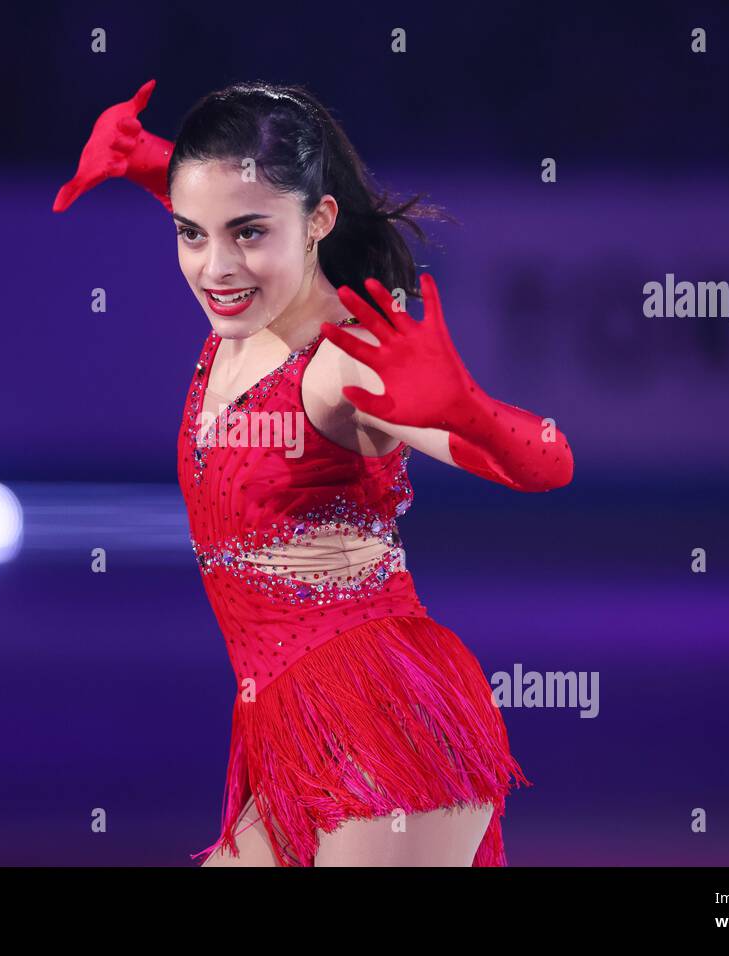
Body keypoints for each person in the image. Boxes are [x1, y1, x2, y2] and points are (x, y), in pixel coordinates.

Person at [54, 79, 573, 867]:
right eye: (190, 233)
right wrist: (139, 160)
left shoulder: (343, 364)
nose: (214, 268)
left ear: (319, 221)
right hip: (290, 729)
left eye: (247, 235)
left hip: (389, 725)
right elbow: (234, 203)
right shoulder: (248, 301)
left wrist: (466, 408)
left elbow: (549, 462)